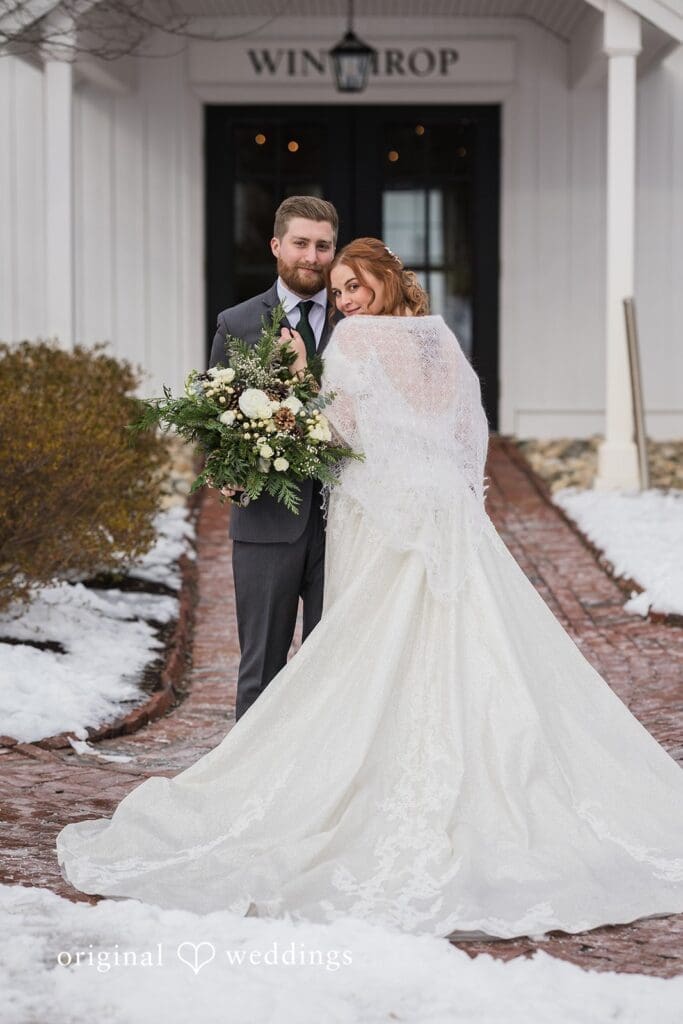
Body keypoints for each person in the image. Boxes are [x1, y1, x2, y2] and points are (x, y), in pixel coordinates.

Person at [56, 238, 683, 941]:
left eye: (356, 285)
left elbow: (339, 431)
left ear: (385, 281)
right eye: (341, 289)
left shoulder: (352, 342)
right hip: (443, 511)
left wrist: (289, 389)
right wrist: (442, 488)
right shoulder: (437, 339)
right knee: (453, 638)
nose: (347, 300)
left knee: (371, 641)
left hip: (380, 513)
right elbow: (462, 430)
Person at [208, 195, 340, 720]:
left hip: (348, 521)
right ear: (276, 246)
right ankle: (249, 791)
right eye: (301, 243)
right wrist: (225, 467)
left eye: (323, 245)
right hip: (266, 521)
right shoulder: (237, 323)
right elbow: (213, 415)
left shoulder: (358, 320)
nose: (312, 256)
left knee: (338, 666)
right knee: (261, 670)